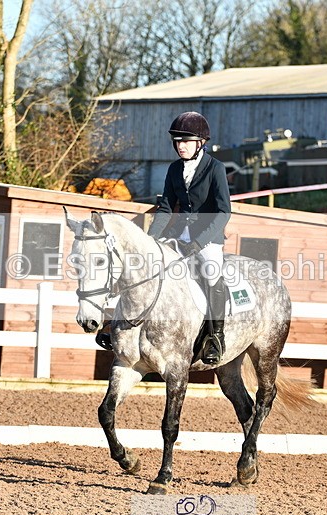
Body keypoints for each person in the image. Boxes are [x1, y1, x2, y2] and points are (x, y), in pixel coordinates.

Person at [95, 111, 231, 365]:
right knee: (140, 268)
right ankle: (112, 325)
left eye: (186, 141)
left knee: (212, 275)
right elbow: (166, 207)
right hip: (177, 235)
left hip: (208, 239)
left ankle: (215, 337)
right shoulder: (173, 169)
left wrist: (199, 242)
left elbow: (223, 212)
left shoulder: (216, 168)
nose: (180, 147)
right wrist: (149, 241)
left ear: (200, 142)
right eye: (178, 142)